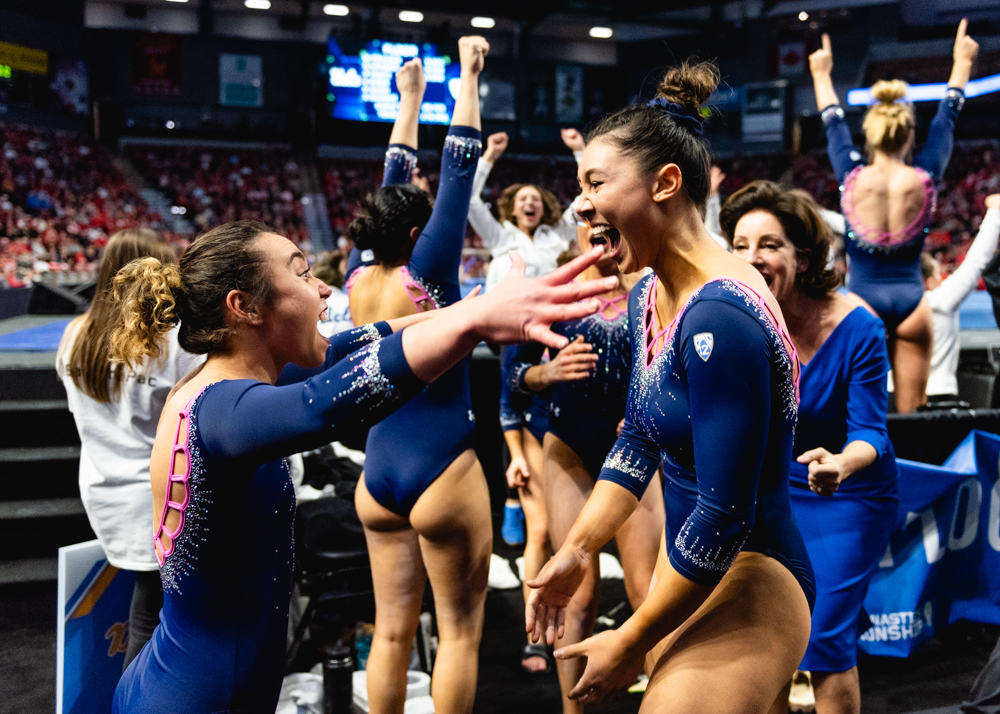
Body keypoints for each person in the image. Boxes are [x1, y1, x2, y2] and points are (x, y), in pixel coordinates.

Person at [107, 214, 618, 714]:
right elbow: (325, 403)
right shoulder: (220, 411)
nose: (325, 290)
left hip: (186, 680)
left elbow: (350, 347)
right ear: (244, 307)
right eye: (303, 273)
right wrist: (471, 321)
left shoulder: (218, 386)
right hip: (198, 699)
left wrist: (469, 310)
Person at [525, 60, 815, 714]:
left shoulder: (720, 316)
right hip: (685, 572)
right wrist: (576, 549)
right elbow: (637, 439)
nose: (579, 203)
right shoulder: (650, 295)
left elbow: (723, 514)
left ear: (666, 183)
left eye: (596, 182)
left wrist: (630, 636)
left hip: (749, 573)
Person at [340, 38, 497, 714]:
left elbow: (393, 179)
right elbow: (459, 166)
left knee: (392, 633)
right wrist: (467, 77)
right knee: (459, 635)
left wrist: (408, 100)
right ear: (415, 234)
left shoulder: (354, 276)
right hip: (441, 471)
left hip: (377, 476)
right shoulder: (426, 270)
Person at [724, 180, 898, 714]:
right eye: (740, 244)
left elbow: (872, 431)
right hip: (772, 497)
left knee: (823, 643)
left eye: (769, 245)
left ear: (801, 255)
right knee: (769, 639)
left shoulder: (858, 325)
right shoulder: (738, 318)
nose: (752, 258)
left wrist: (842, 463)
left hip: (850, 495)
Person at [503, 218, 664, 704]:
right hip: (568, 446)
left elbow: (679, 373)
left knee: (647, 596)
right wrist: (546, 373)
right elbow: (511, 380)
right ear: (575, 235)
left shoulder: (654, 290)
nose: (597, 227)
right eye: (586, 218)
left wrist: (650, 409)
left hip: (634, 449)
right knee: (577, 597)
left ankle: (667, 700)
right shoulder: (555, 293)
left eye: (607, 221)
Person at [808, 20, 979, 412]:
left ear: (870, 135)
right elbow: (946, 117)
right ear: (908, 133)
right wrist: (961, 63)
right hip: (914, 304)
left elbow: (832, 120)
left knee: (864, 416)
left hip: (862, 301)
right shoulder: (925, 176)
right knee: (911, 419)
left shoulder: (851, 177)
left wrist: (821, 72)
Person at [56, 228, 204, 669]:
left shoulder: (75, 335)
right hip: (158, 497)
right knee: (155, 623)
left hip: (103, 487)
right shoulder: (170, 342)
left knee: (148, 609)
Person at [469, 128, 584, 293]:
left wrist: (580, 151)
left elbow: (584, 200)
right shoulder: (499, 237)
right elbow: (470, 199)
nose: (529, 202)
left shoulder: (561, 233)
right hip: (505, 316)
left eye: (536, 200)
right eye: (522, 199)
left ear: (543, 210)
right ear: (513, 210)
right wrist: (490, 155)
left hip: (554, 315)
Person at [922, 195, 1000, 401]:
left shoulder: (896, 306)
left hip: (895, 392)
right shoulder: (941, 300)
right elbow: (976, 261)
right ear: (928, 281)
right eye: (939, 276)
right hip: (939, 393)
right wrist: (994, 213)